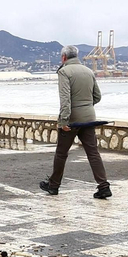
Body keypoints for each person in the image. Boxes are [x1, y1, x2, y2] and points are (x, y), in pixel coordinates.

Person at [41, 44, 112, 198]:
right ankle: (104, 186)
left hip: (72, 120)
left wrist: (64, 121)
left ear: (64, 57)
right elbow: (97, 96)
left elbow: (65, 99)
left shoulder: (64, 72)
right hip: (89, 118)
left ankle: (53, 186)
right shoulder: (88, 71)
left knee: (61, 154)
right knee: (93, 153)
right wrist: (86, 107)